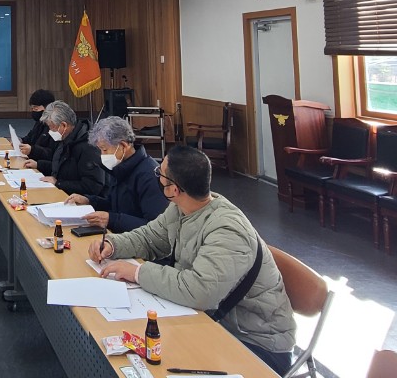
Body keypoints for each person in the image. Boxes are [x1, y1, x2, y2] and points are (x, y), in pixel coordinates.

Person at [91, 145, 296, 374]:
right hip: (212, 320)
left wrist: (137, 272)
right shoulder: (182, 207)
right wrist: (113, 245)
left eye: (160, 173)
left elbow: (199, 291)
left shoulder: (227, 230)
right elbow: (150, 237)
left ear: (174, 189)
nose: (157, 176)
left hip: (256, 342)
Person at [64, 116, 168, 232]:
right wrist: (90, 201)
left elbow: (157, 228)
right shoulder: (120, 167)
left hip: (139, 240)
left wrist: (111, 219)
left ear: (123, 146)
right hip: (120, 236)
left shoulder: (150, 175)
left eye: (105, 150)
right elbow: (114, 204)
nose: (102, 155)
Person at [21, 100, 104, 197]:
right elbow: (61, 167)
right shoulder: (65, 137)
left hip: (75, 199)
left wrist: (58, 183)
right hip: (60, 192)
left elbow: (92, 186)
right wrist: (39, 164)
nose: (50, 131)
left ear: (63, 125)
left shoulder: (88, 148)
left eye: (51, 127)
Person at [18, 89, 55, 162]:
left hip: (42, 163)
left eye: (36, 108)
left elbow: (52, 153)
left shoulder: (55, 126)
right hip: (33, 159)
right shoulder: (40, 121)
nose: (33, 111)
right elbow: (31, 137)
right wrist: (21, 140)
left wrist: (33, 150)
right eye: (32, 108)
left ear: (48, 107)